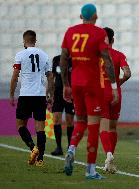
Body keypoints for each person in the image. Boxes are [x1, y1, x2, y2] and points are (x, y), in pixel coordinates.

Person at [60, 3, 118, 179]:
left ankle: (71, 149)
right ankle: (90, 170)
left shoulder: (70, 31)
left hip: (75, 82)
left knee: (80, 120)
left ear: (80, 16)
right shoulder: (99, 32)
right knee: (93, 126)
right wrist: (114, 86)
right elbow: (107, 60)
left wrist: (65, 84)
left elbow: (63, 58)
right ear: (95, 16)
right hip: (92, 85)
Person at [9, 30, 53, 167]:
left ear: (24, 41)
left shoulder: (20, 55)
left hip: (26, 95)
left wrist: (11, 94)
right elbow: (50, 76)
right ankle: (40, 160)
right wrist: (49, 94)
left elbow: (15, 76)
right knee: (40, 128)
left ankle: (33, 148)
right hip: (40, 95)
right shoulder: (44, 55)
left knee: (20, 125)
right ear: (35, 40)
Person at [99, 27, 131, 173]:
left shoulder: (96, 55)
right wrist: (118, 84)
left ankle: (108, 154)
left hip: (100, 93)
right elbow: (127, 73)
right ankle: (110, 161)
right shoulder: (119, 55)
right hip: (115, 93)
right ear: (113, 40)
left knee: (103, 128)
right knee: (113, 127)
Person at [50, 55, 74, 156]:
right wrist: (50, 93)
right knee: (56, 120)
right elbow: (52, 77)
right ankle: (58, 147)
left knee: (69, 121)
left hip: (70, 94)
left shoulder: (74, 60)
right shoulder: (56, 59)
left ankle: (70, 147)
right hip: (58, 94)